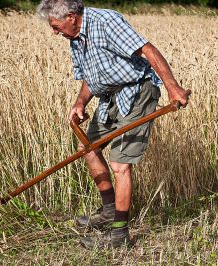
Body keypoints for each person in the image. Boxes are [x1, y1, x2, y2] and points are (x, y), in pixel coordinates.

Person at [37, 0, 191, 249]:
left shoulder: (105, 22)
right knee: (87, 147)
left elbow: (147, 49)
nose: (54, 32)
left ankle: (119, 235)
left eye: (55, 26)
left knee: (120, 164)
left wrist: (172, 87)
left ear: (71, 16)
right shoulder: (76, 38)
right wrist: (80, 102)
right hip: (110, 97)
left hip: (137, 92)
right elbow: (91, 76)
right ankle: (109, 209)